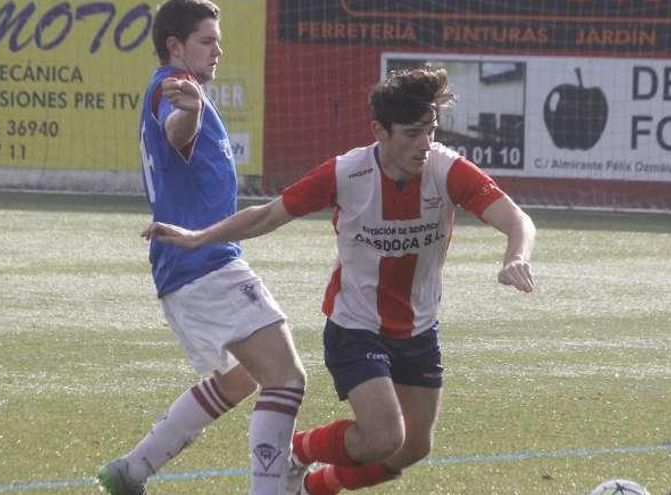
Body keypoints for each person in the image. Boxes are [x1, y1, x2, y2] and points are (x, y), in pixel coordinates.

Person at [145, 65, 536, 495]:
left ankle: (314, 487)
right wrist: (200, 236)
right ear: (379, 132)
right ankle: (297, 451)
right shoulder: (347, 173)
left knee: (411, 449)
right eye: (411, 133)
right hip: (356, 327)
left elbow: (517, 219)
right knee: (387, 437)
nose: (424, 145)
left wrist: (515, 257)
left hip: (419, 330)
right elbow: (269, 214)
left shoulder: (448, 170)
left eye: (431, 131)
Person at [96, 1, 306, 494]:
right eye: (207, 41)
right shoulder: (175, 87)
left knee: (238, 380)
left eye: (218, 40)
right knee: (286, 379)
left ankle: (131, 471)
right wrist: (187, 114)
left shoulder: (174, 87)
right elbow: (176, 130)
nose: (218, 50)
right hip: (205, 264)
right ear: (175, 46)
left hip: (187, 268)